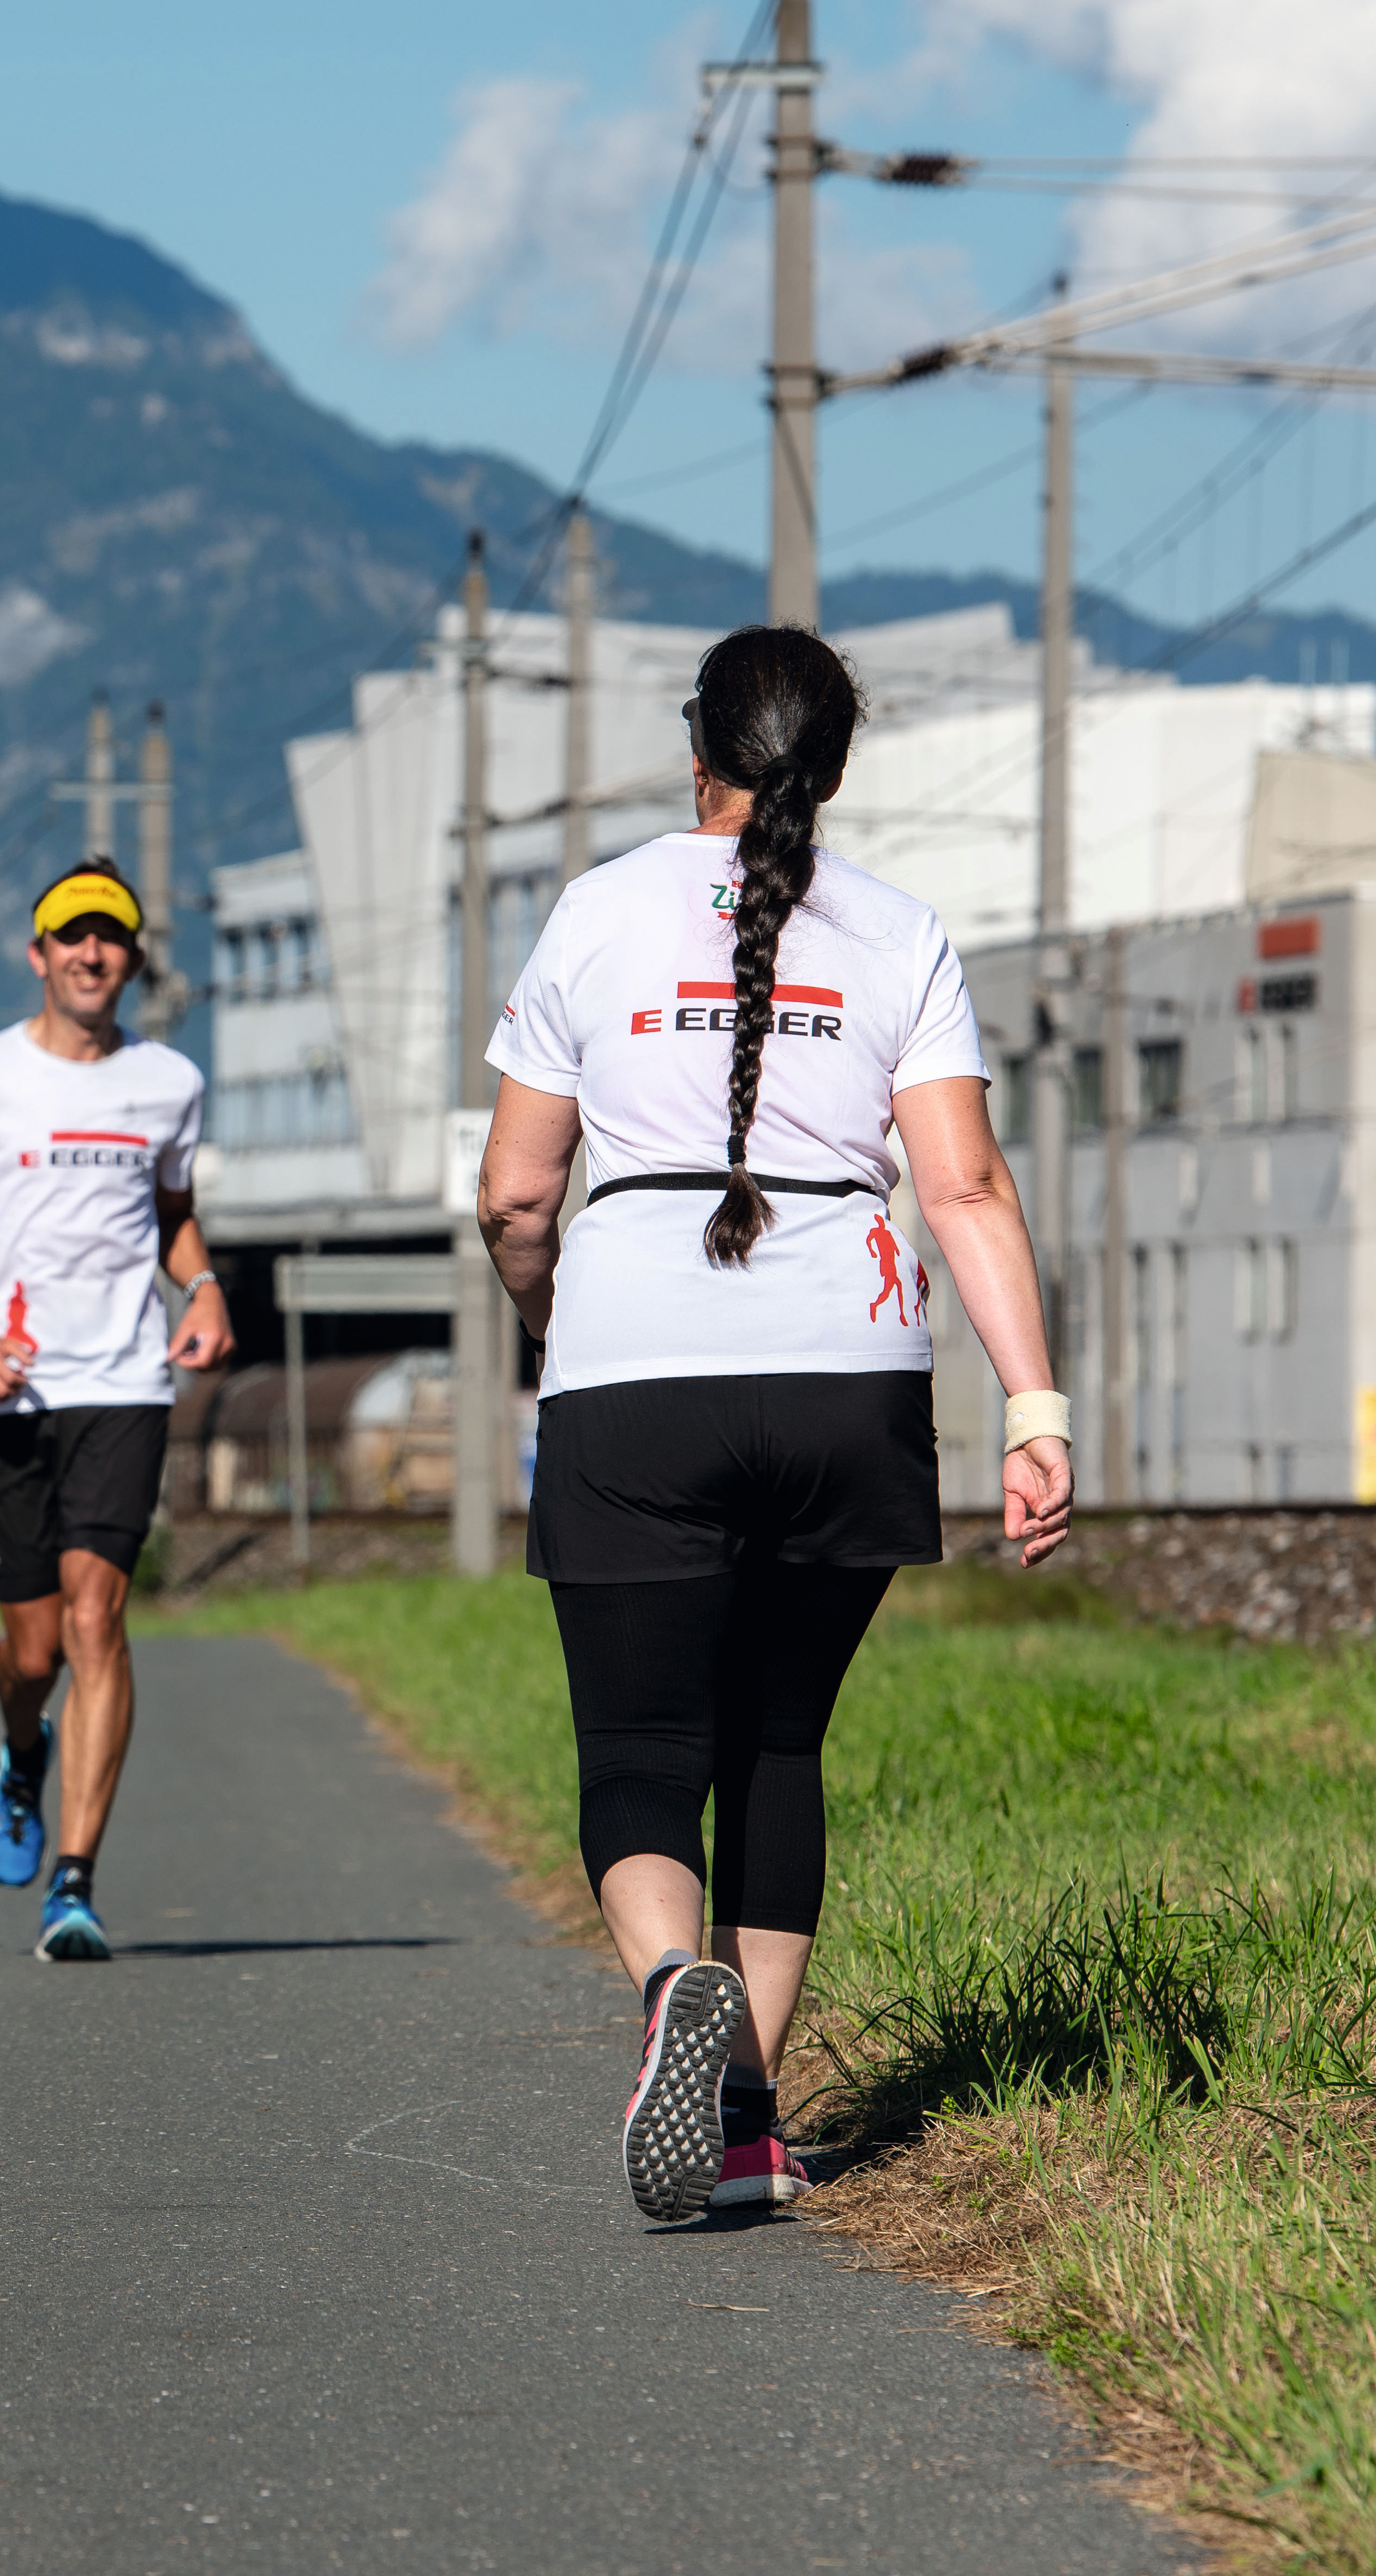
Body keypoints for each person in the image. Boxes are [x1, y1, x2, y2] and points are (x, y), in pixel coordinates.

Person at [474, 627, 1072, 2224]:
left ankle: (677, 1987)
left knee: (642, 1755)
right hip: (848, 1369)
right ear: (841, 757)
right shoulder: (898, 930)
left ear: (700, 748)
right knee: (778, 1743)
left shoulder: (598, 912)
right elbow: (962, 1186)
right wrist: (1035, 1403)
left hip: (634, 1365)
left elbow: (519, 1192)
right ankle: (748, 2124)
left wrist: (550, 1314)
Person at [0, 860, 231, 1962]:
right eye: (70, 938)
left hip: (122, 1380)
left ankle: (73, 1880)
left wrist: (206, 1282)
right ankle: (18, 1746)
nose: (90, 955)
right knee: (30, 1649)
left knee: (96, 1619)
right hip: (9, 1390)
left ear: (132, 960)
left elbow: (171, 1210)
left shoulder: (168, 1080)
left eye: (110, 940)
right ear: (37, 955)